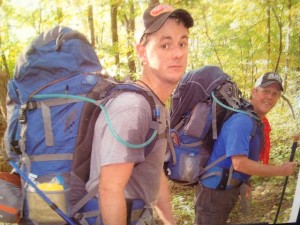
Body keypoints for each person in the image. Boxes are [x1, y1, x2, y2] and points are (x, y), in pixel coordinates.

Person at [86, 3, 194, 225]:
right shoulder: (133, 108)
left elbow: (155, 175)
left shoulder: (156, 106)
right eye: (165, 45)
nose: (177, 53)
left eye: (182, 43)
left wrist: (169, 222)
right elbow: (110, 189)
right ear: (142, 52)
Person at [194, 72, 298, 225]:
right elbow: (240, 163)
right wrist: (280, 171)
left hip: (225, 188)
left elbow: (245, 156)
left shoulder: (255, 120)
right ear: (254, 92)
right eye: (265, 91)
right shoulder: (242, 120)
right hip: (214, 193)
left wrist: (245, 182)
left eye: (275, 93)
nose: (270, 96)